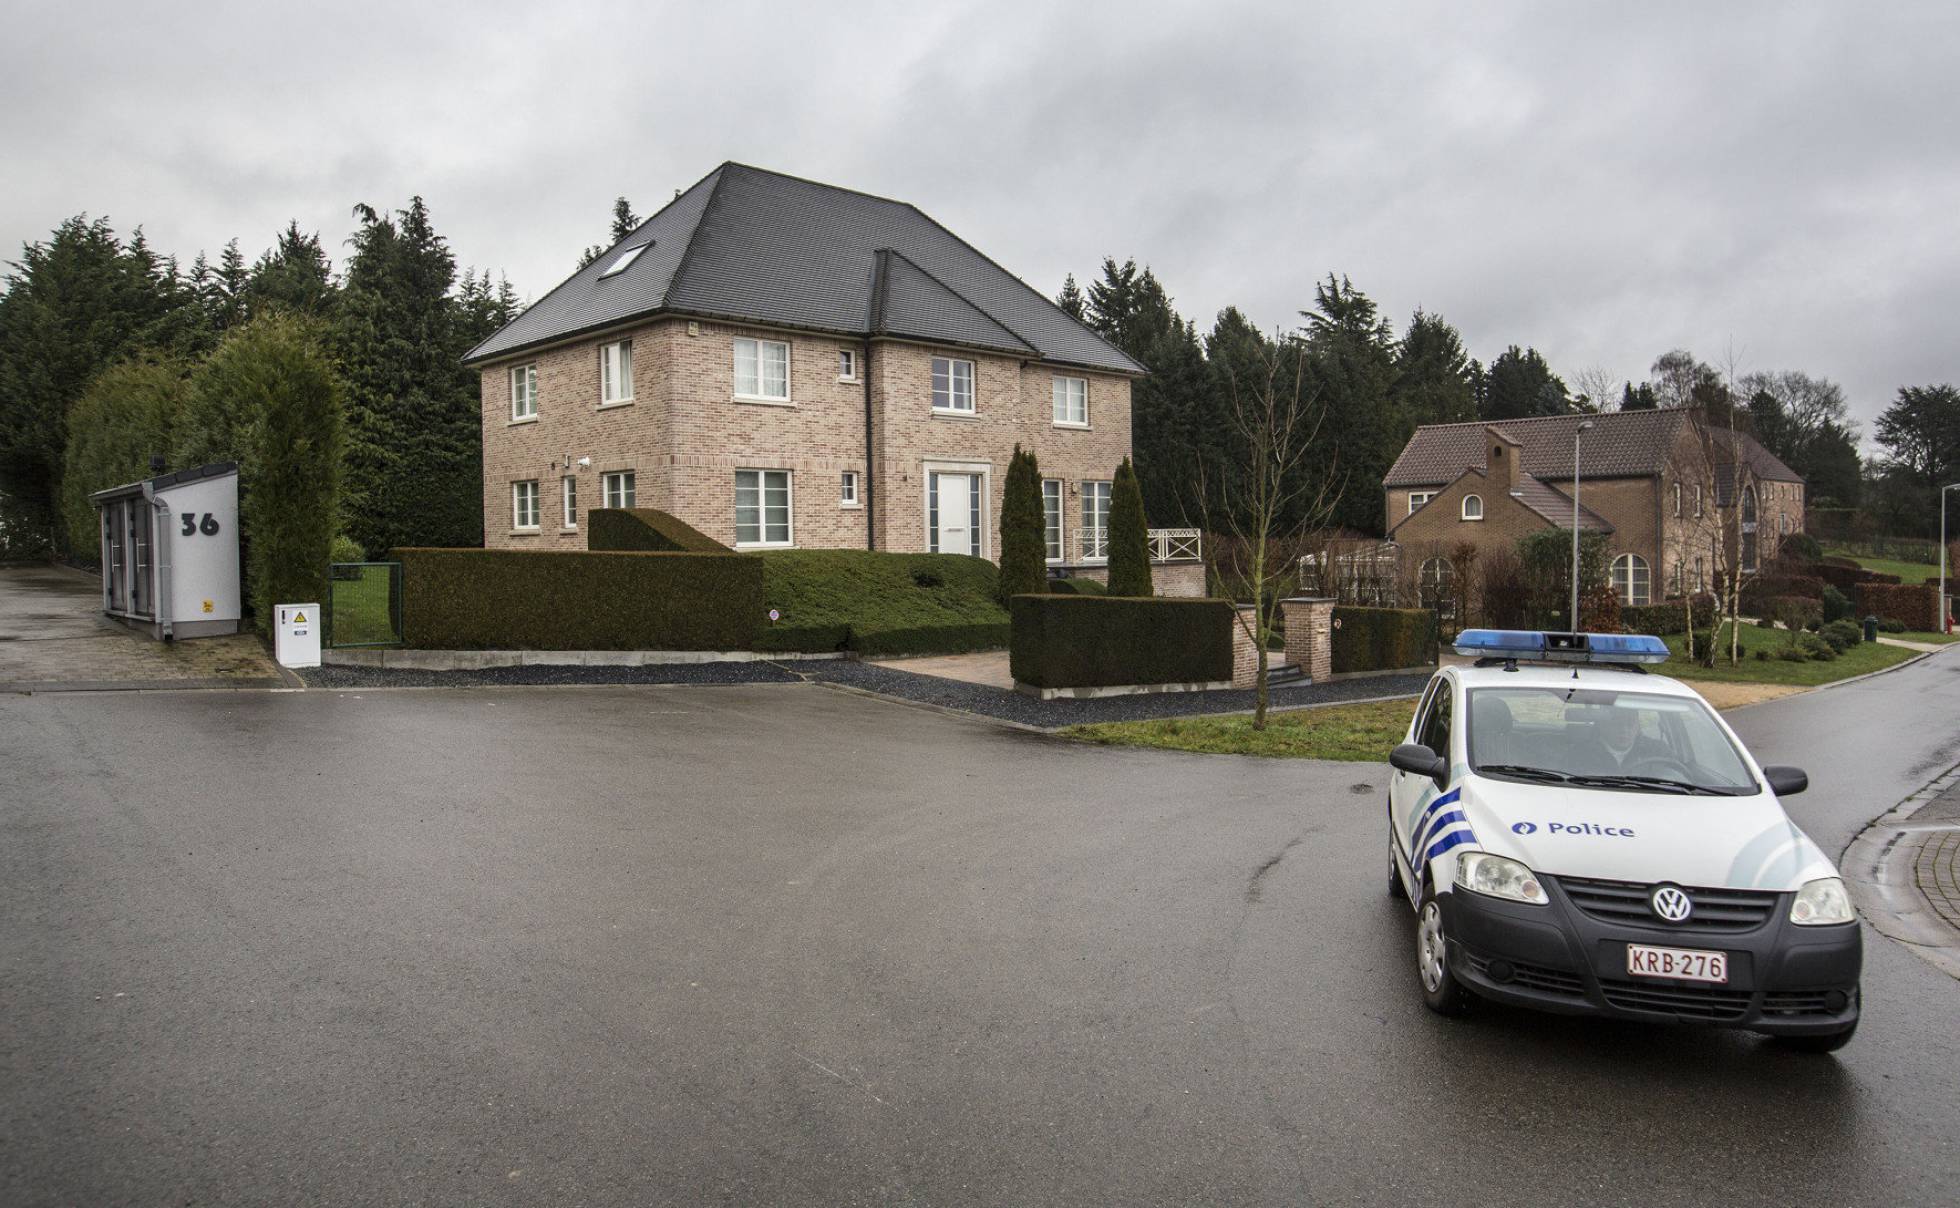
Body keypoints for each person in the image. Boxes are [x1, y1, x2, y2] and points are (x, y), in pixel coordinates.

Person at [1570, 704, 1669, 776]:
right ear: (1603, 725)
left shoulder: (1658, 751)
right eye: (1617, 723)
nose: (1624, 730)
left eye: (1630, 723)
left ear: (1638, 726)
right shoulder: (1581, 753)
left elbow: (1676, 775)